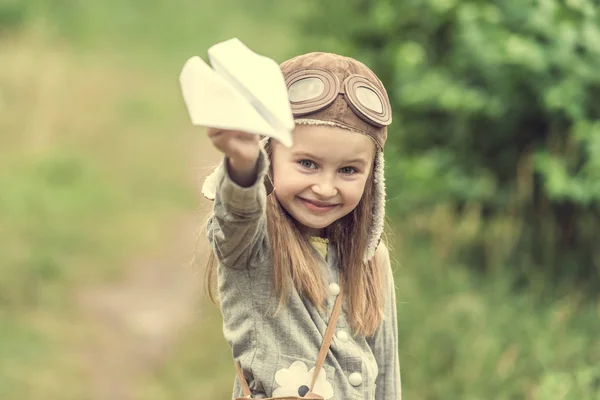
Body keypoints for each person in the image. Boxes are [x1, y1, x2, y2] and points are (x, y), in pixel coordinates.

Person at [201, 51, 401, 399]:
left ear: (373, 177)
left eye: (348, 170)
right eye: (307, 163)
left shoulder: (371, 260)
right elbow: (236, 216)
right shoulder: (253, 247)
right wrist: (244, 164)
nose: (325, 187)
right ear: (270, 154)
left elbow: (386, 377)